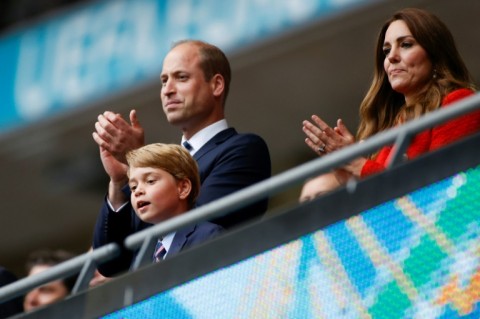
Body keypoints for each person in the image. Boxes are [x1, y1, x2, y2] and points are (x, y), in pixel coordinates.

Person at [92, 40, 271, 276]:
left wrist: (143, 161)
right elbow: (110, 264)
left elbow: (196, 228)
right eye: (164, 80)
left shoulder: (243, 149)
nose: (167, 90)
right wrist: (120, 182)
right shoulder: (140, 179)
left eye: (181, 77)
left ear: (216, 85)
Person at [302, 8, 480, 182]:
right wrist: (347, 172)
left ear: (435, 55)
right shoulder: (389, 129)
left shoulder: (457, 102)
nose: (391, 57)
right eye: (386, 50)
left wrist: (356, 163)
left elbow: (442, 186)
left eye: (406, 45)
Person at [126, 143, 224, 267]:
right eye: (133, 187)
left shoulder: (208, 236)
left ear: (183, 188)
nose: (138, 191)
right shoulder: (143, 253)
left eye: (150, 181)